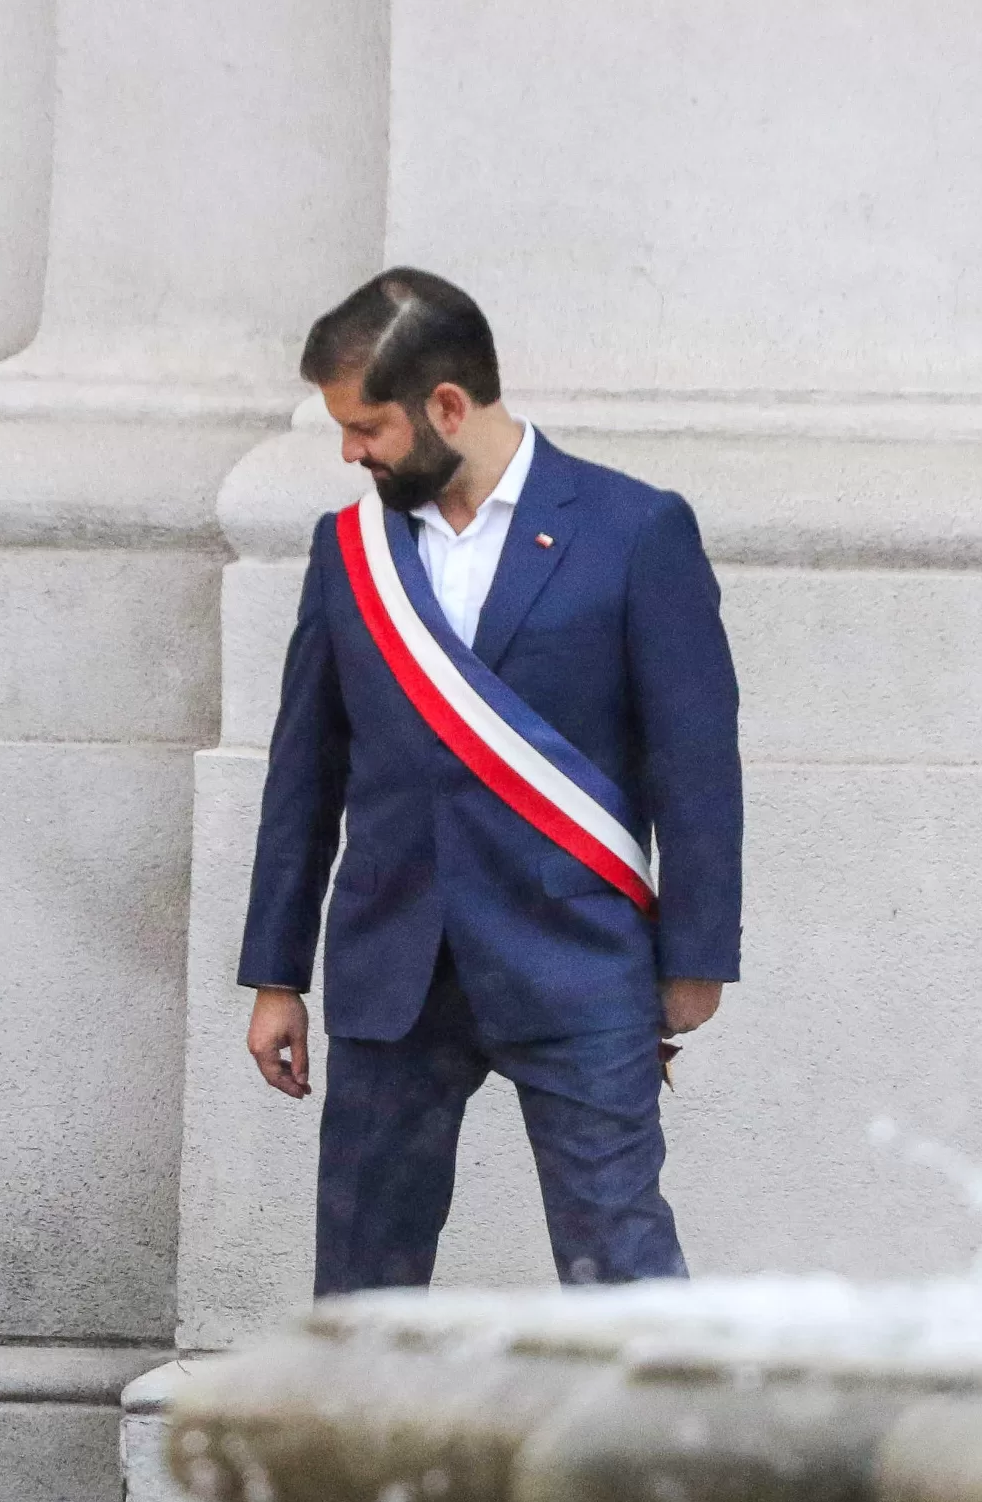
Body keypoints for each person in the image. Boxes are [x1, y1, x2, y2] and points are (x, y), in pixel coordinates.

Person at [240, 267, 742, 1295]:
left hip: (574, 955)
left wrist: (694, 955)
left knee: (622, 1261)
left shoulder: (633, 529)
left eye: (366, 427)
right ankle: (365, 1459)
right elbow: (306, 769)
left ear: (447, 406)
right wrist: (275, 974)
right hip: (395, 963)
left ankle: (660, 1457)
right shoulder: (349, 552)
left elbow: (691, 759)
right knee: (364, 1279)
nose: (349, 453)